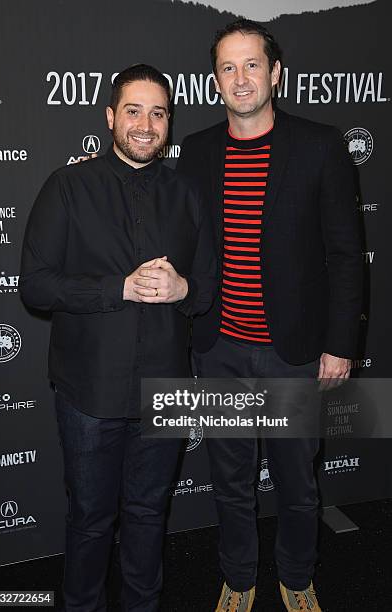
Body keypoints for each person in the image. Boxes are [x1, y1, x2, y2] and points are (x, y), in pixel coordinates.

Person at [175, 19, 362, 612]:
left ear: (276, 73)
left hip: (293, 352)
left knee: (297, 484)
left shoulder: (320, 145)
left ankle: (298, 575)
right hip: (221, 347)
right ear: (215, 81)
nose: (240, 78)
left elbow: (345, 254)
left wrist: (340, 344)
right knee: (230, 483)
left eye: (252, 64)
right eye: (228, 67)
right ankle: (238, 575)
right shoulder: (199, 152)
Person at [19, 63, 216, 612]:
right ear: (110, 117)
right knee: (90, 520)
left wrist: (185, 290)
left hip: (166, 388)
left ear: (169, 123)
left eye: (158, 113)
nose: (146, 124)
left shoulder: (188, 193)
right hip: (89, 392)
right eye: (134, 110)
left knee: (151, 515)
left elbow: (210, 287)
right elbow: (34, 285)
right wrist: (118, 288)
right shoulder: (68, 186)